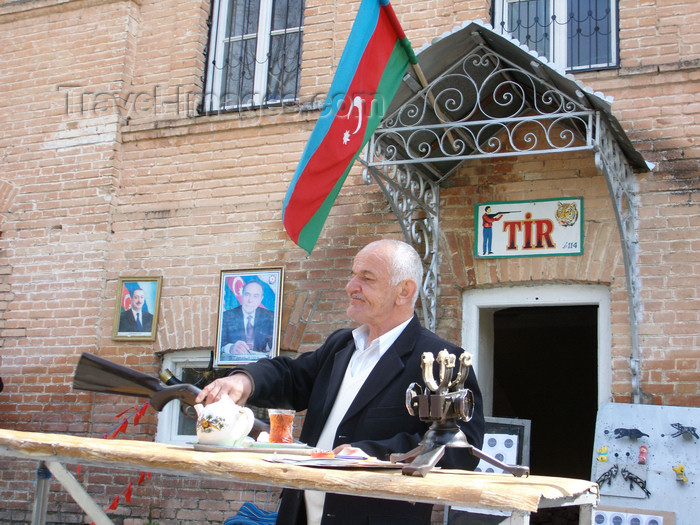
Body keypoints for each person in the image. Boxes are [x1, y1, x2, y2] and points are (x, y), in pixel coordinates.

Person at [197, 239, 484, 525]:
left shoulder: (442, 361)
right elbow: (292, 376)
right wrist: (245, 380)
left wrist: (375, 454)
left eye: (366, 278)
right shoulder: (341, 345)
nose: (351, 286)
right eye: (353, 275)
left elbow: (461, 449)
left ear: (404, 291)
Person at [220, 280, 275, 358]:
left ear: (261, 299)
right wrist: (230, 348)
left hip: (260, 365)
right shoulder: (226, 316)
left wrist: (274, 348)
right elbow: (220, 344)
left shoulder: (270, 316)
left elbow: (274, 342)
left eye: (255, 296)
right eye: (247, 294)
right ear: (242, 295)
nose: (250, 300)